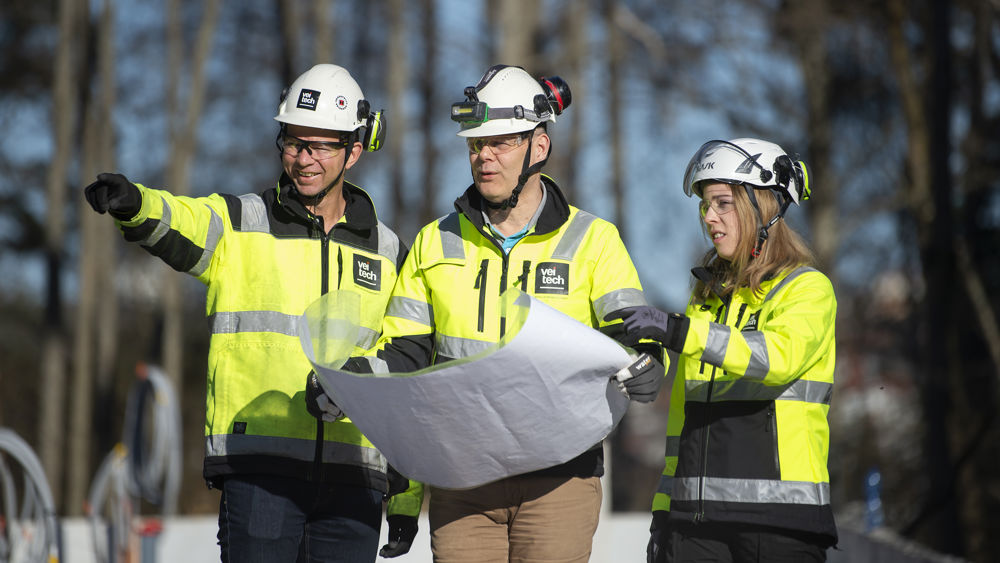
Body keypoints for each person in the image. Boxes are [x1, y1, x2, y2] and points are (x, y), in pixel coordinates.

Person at [310, 64, 666, 563]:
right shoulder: (435, 241)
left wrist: (646, 360)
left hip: (559, 478)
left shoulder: (593, 240)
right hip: (462, 480)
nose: (484, 156)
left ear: (538, 147)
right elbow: (405, 352)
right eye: (476, 144)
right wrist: (349, 381)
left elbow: (631, 332)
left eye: (500, 142)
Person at [84, 64, 409, 562]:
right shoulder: (241, 223)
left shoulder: (390, 253)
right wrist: (136, 204)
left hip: (354, 484)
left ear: (354, 151)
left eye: (320, 146)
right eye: (293, 142)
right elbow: (185, 219)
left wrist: (404, 492)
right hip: (259, 473)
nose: (303, 159)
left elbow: (405, 370)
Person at [607, 138, 838, 562]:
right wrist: (664, 513)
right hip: (694, 527)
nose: (708, 217)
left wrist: (679, 331)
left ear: (764, 209)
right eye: (704, 205)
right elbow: (682, 422)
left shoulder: (807, 289)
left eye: (723, 203)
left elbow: (776, 357)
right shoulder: (706, 301)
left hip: (780, 524)